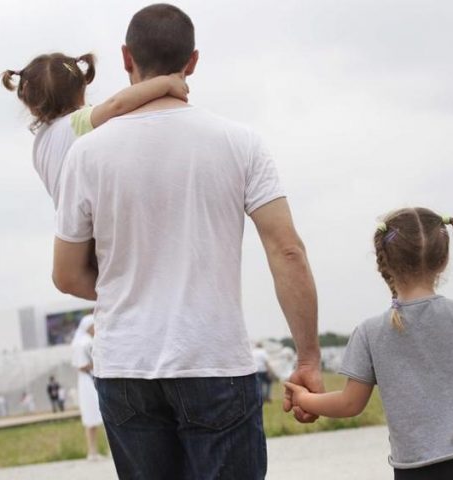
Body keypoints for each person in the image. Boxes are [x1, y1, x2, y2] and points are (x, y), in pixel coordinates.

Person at [52, 4, 323, 479]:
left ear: (125, 57)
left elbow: (66, 275)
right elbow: (287, 251)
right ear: (192, 61)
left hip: (125, 364)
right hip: (213, 357)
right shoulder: (241, 143)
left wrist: (130, 286)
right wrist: (307, 358)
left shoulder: (87, 153)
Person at [285, 208, 453, 480]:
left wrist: (303, 398)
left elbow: (349, 404)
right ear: (444, 258)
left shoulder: (369, 333)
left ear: (385, 262)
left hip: (414, 470)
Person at [1, 53, 188, 208]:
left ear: (30, 103)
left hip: (68, 225)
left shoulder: (41, 142)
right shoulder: (75, 124)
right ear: (82, 88)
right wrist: (166, 83)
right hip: (89, 225)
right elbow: (116, 105)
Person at [71, 314, 105, 461]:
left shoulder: (81, 342)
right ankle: (93, 452)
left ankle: (93, 452)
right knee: (94, 417)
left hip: (88, 381)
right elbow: (82, 366)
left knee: (94, 418)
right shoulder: (85, 343)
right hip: (89, 382)